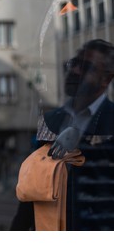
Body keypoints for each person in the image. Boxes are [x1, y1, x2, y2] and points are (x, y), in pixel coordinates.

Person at [10, 39, 114, 230]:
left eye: (87, 67)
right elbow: (34, 185)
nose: (75, 70)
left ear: (105, 79)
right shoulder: (52, 120)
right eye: (75, 62)